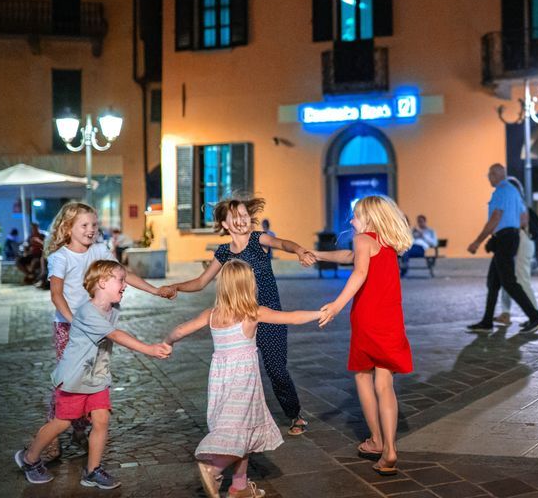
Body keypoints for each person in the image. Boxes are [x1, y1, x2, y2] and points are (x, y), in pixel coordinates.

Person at [164, 260, 321, 498]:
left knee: (242, 430)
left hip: (220, 382)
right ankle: (213, 469)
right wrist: (321, 312)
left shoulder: (212, 314)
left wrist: (168, 342)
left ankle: (239, 486)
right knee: (238, 431)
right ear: (248, 286)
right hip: (244, 384)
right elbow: (292, 317)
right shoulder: (252, 313)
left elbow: (181, 329)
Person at [162, 197, 317, 436]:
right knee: (240, 370)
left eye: (245, 215)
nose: (242, 220)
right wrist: (177, 287)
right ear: (225, 224)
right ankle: (238, 417)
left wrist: (298, 250)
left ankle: (294, 414)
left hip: (268, 313)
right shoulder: (223, 252)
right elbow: (202, 282)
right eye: (236, 216)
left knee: (276, 368)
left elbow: (282, 243)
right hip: (239, 320)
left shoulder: (258, 239)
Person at [14, 260, 172, 489]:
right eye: (120, 280)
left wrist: (156, 290)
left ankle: (92, 470)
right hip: (74, 379)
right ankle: (29, 458)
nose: (125, 285)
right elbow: (116, 335)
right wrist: (149, 349)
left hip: (96, 378)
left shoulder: (113, 307)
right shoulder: (88, 313)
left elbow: (115, 321)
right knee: (61, 423)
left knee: (102, 420)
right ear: (102, 282)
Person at [42, 202, 175, 461]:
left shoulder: (100, 250)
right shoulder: (61, 257)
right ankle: (52, 433)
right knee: (70, 381)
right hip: (69, 328)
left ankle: (80, 427)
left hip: (99, 325)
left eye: (94, 224)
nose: (91, 229)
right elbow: (57, 295)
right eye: (84, 225)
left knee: (93, 376)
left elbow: (123, 274)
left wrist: (155, 290)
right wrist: (75, 321)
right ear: (68, 228)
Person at [315, 195, 414, 476]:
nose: (350, 221)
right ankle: (390, 450)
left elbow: (358, 272)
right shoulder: (388, 243)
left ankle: (376, 440)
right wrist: (319, 255)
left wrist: (335, 305)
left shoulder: (362, 241)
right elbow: (349, 258)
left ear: (369, 218)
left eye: (355, 216)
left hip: (368, 319)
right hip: (392, 319)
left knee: (362, 375)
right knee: (385, 384)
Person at [466, 164, 538, 334]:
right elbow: (524, 219)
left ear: (496, 175)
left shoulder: (501, 191)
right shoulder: (514, 192)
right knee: (493, 282)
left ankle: (535, 317)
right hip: (511, 236)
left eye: (490, 175)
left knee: (509, 282)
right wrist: (511, 229)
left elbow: (495, 217)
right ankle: (487, 321)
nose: (488, 178)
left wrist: (477, 241)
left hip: (504, 238)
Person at [496, 176, 538, 325]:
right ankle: (505, 313)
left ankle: (536, 315)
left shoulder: (517, 203)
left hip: (522, 242)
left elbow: (523, 222)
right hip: (517, 242)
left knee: (522, 280)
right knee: (507, 278)